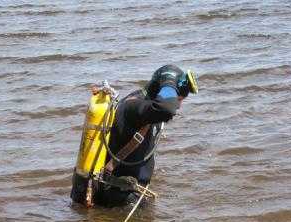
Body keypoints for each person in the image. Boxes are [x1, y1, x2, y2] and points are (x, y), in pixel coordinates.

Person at [71, 64, 198, 207]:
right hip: (119, 199)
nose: (178, 105)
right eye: (178, 99)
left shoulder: (145, 105)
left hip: (126, 193)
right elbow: (166, 109)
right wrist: (169, 82)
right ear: (162, 91)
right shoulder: (135, 108)